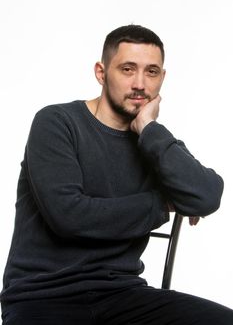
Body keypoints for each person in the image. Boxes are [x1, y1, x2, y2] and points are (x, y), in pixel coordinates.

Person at [1, 24, 233, 324]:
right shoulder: (57, 123)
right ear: (101, 72)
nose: (140, 84)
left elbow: (207, 195)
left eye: (151, 72)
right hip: (42, 298)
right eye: (127, 69)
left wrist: (150, 129)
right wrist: (162, 203)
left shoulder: (155, 143)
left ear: (162, 78)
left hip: (123, 296)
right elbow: (69, 216)